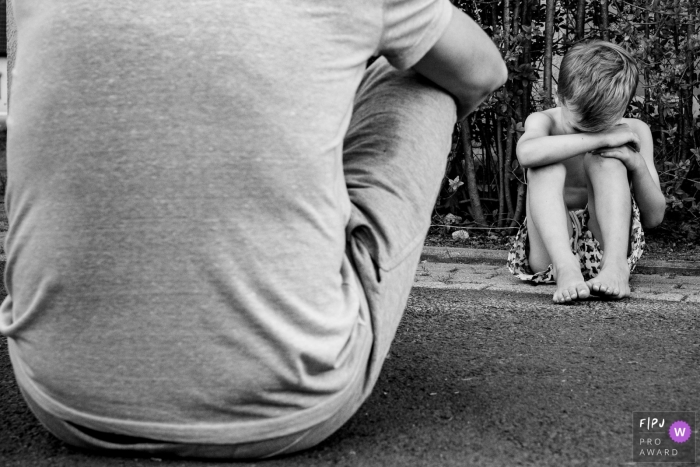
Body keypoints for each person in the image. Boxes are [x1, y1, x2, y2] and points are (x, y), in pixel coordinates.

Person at [1, 0, 507, 459]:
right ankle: (301, 281)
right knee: (425, 78)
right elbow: (483, 71)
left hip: (60, 394)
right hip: (288, 404)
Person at [507, 40, 666, 304]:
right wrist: (602, 138)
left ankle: (615, 268)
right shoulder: (543, 121)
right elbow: (526, 154)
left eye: (602, 126)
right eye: (580, 126)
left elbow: (654, 217)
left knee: (607, 160)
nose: (591, 134)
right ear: (561, 99)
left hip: (606, 248)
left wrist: (635, 163)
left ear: (623, 109)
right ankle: (566, 267)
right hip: (551, 254)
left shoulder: (635, 130)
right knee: (544, 162)